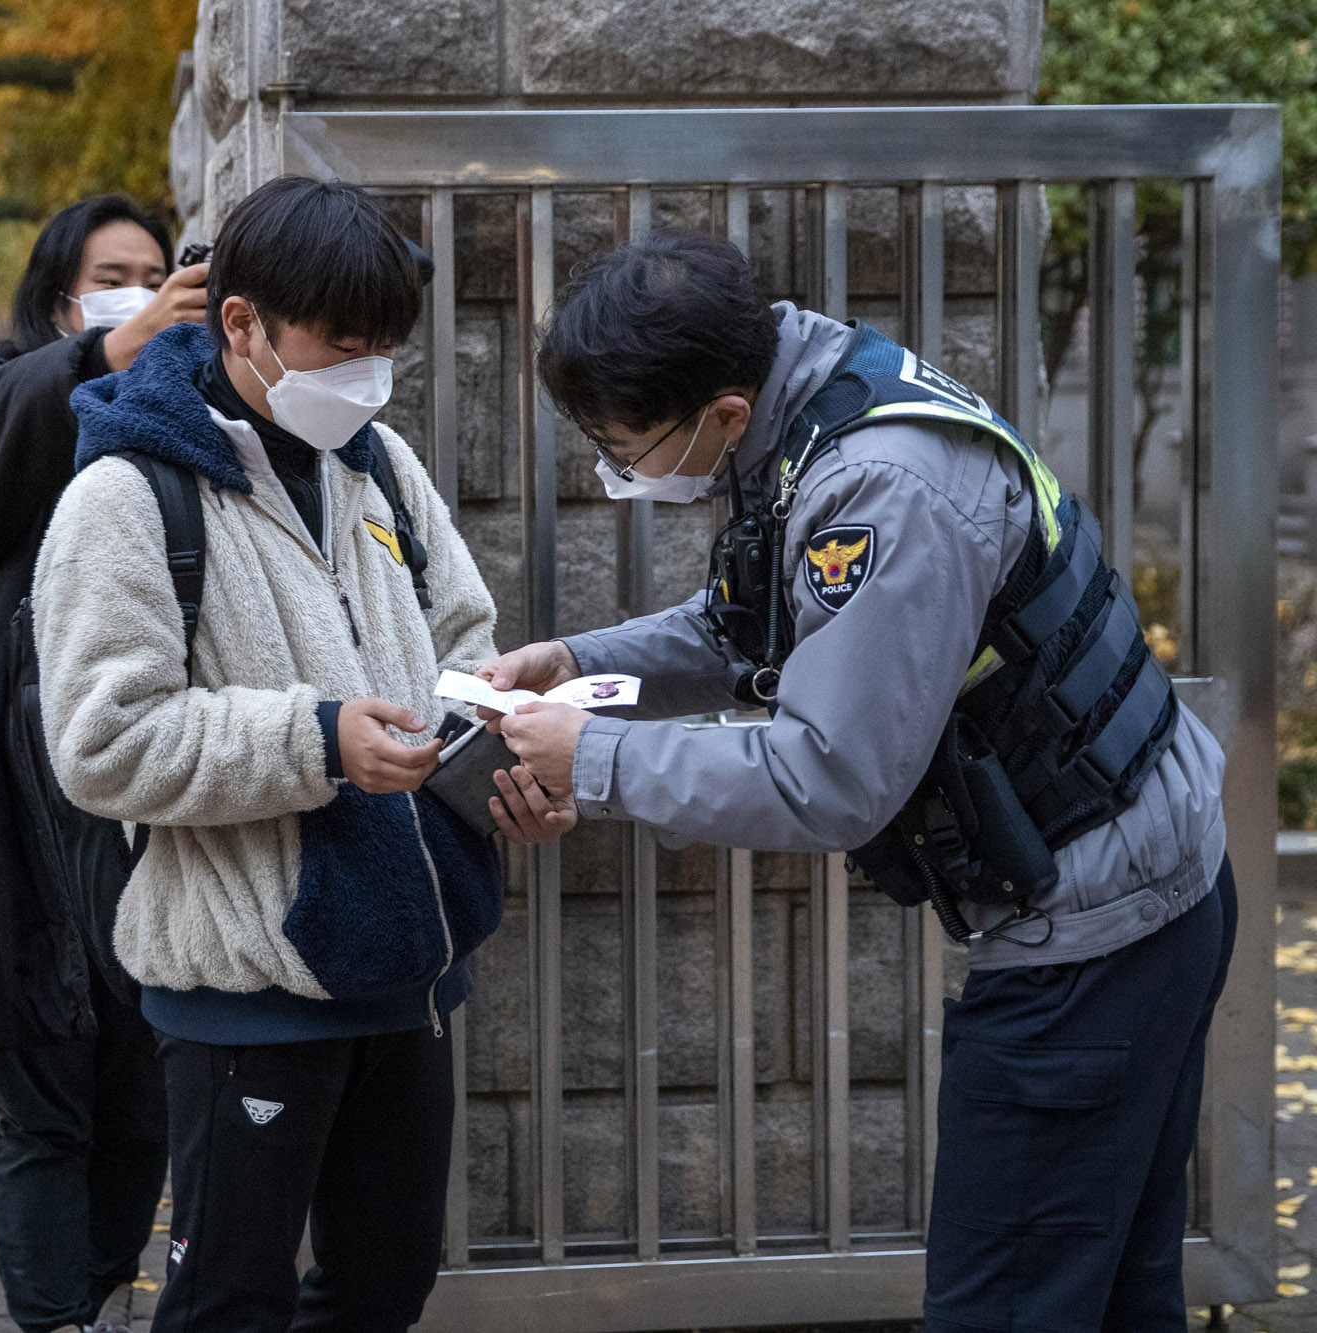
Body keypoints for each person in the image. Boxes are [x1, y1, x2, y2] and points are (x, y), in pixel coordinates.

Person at [484, 229, 1230, 1332]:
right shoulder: (811, 402)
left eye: (624, 444)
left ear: (721, 412)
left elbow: (830, 776)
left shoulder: (879, 488)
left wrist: (590, 759)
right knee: (1115, 1292)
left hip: (1093, 940)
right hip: (1138, 886)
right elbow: (753, 620)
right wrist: (586, 665)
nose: (616, 466)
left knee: (1005, 1304)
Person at [33, 175, 547, 1333]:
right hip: (243, 988)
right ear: (240, 324)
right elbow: (100, 744)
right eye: (342, 347)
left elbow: (460, 646)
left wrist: (502, 763)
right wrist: (314, 740)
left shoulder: (378, 463)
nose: (365, 376)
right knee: (227, 1302)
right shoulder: (123, 495)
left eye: (384, 351)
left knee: (383, 1285)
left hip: (407, 969)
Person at [0, 193, 204, 1333]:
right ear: (58, 296)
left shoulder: (186, 411)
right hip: (12, 810)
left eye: (156, 272)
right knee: (42, 1113)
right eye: (112, 273)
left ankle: (89, 1298)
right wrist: (112, 348)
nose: (139, 288)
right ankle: (51, 1319)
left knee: (140, 1108)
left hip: (145, 808)